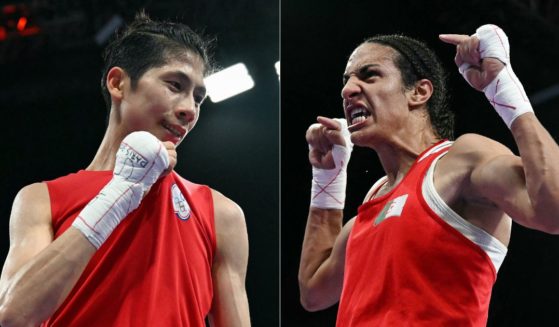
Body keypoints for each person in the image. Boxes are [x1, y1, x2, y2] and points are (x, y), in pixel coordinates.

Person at [0, 12, 250, 327]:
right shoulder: (41, 199)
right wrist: (119, 193)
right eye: (175, 85)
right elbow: (13, 315)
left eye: (198, 98)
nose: (189, 109)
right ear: (118, 83)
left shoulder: (220, 213)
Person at [298, 24, 559, 326]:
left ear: (419, 92)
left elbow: (553, 211)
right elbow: (314, 293)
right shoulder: (375, 199)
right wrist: (328, 176)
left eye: (369, 75)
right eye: (347, 80)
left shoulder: (462, 161)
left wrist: (502, 86)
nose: (348, 89)